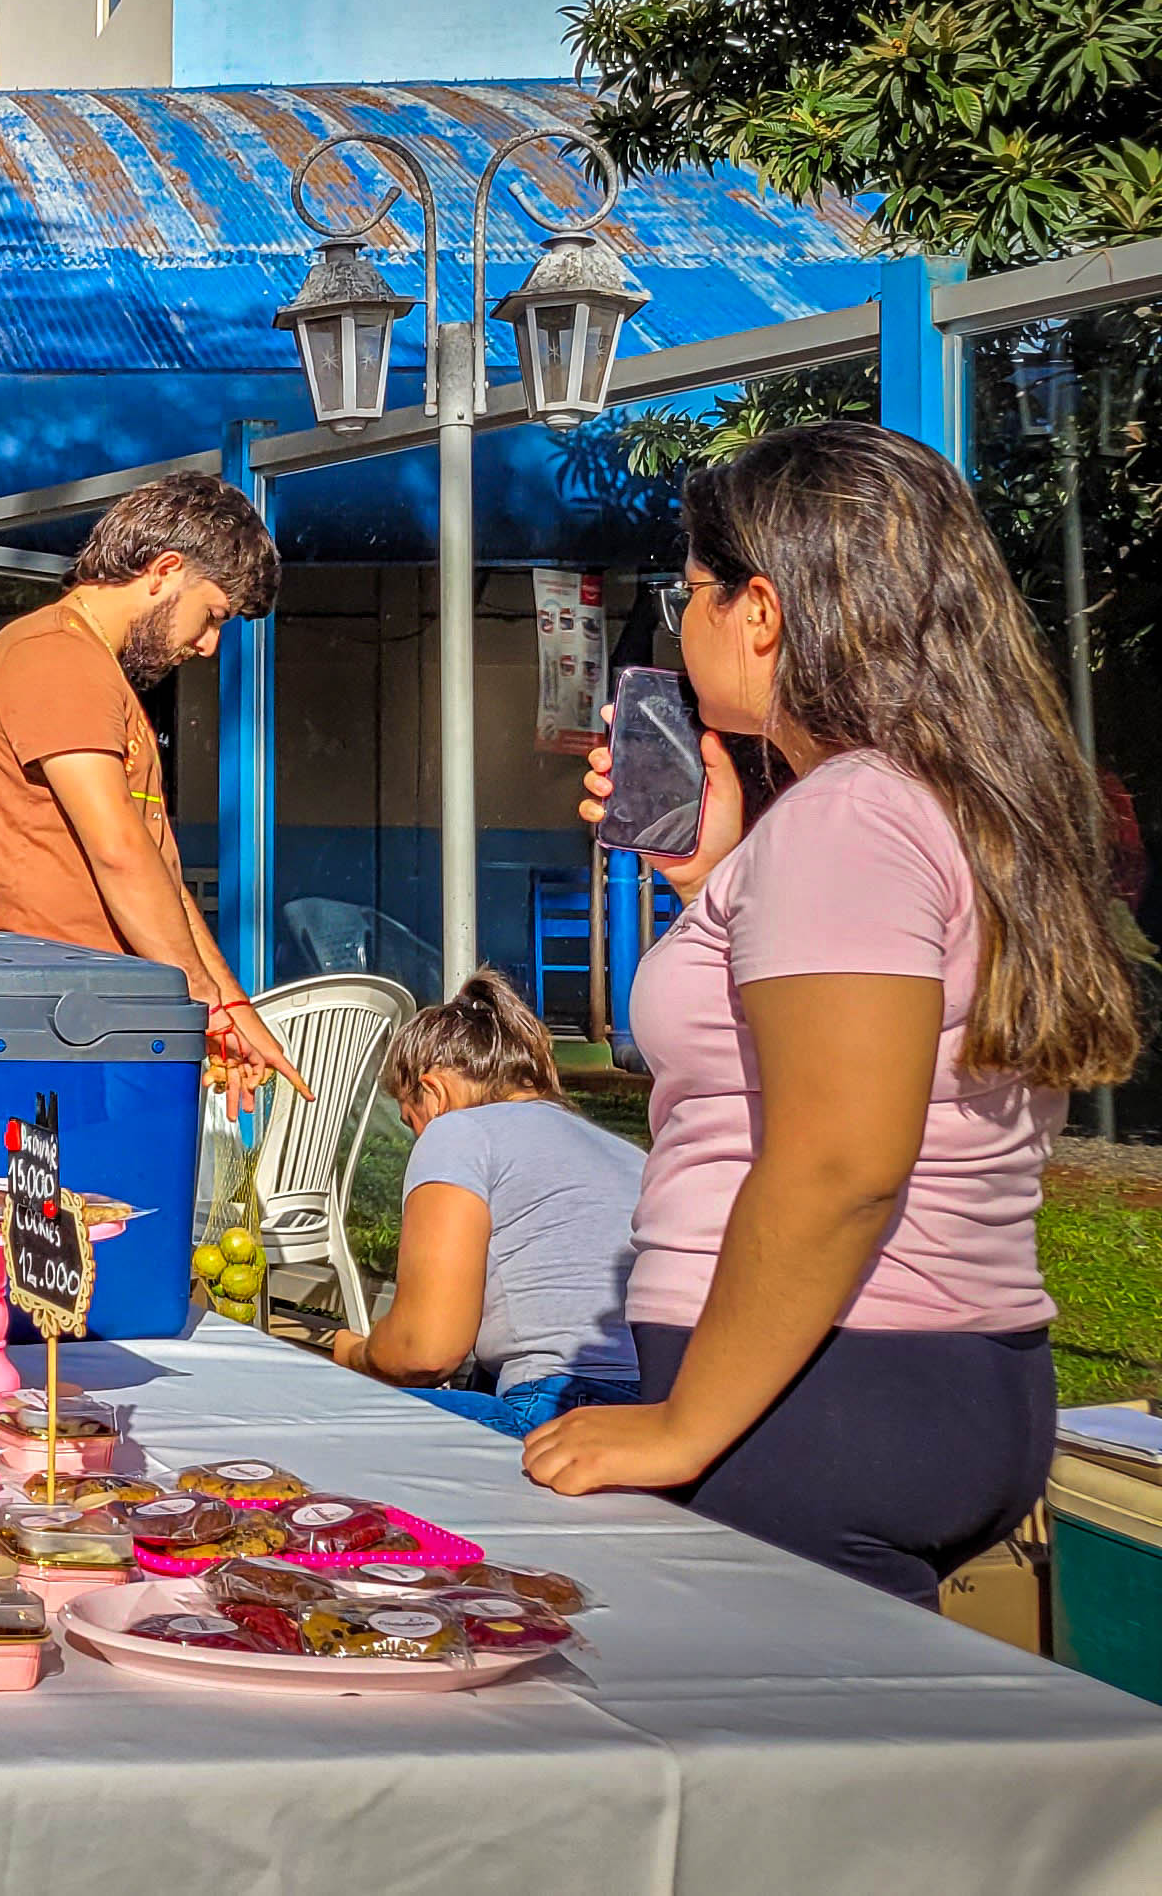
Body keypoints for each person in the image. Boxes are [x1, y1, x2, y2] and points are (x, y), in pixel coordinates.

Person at [528, 423, 1136, 1608]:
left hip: (819, 1398)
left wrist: (684, 1425)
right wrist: (717, 879)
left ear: (763, 610)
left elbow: (840, 1162)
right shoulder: (943, 802)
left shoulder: (849, 820)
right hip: (933, 1378)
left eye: (689, 591)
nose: (681, 619)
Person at [0, 472, 306, 1104]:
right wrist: (198, 1003)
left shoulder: (99, 673)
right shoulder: (55, 655)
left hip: (85, 1023)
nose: (209, 645)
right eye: (212, 615)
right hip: (41, 1026)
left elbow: (152, 869)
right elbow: (116, 850)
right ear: (165, 569)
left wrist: (229, 1004)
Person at [330, 972, 644, 1439]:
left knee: (311, 1413)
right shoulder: (629, 1156)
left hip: (553, 1410)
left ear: (433, 1094)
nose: (418, 1135)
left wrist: (356, 1353)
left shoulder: (460, 1131)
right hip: (650, 1411)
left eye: (410, 1120)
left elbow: (426, 1350)